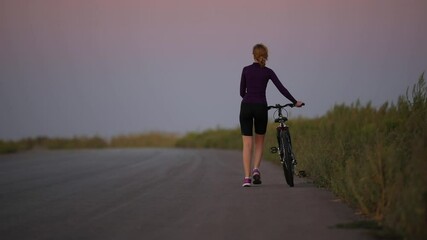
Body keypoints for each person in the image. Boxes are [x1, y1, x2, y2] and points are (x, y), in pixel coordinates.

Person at [239, 43, 304, 187]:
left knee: (247, 144)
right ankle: (256, 169)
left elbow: (241, 92)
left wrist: (249, 98)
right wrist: (294, 101)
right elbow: (281, 88)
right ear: (265, 56)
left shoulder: (246, 70)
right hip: (261, 107)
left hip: (246, 107)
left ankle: (247, 179)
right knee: (259, 141)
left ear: (253, 55)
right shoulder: (268, 71)